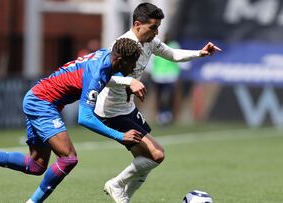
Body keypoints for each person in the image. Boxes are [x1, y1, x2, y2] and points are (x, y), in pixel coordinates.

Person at [0, 38, 143, 203]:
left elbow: (108, 72)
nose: (134, 67)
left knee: (36, 165)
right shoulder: (97, 74)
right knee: (69, 158)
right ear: (119, 59)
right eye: (132, 63)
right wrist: (119, 136)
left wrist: (126, 81)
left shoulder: (105, 55)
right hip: (42, 103)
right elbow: (85, 118)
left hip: (40, 98)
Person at [94, 3, 221, 203]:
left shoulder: (150, 41)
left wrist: (200, 53)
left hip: (127, 109)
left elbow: (172, 54)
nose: (157, 32)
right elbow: (101, 77)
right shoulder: (121, 46)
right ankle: (116, 184)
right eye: (153, 27)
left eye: (158, 27)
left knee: (146, 159)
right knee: (157, 154)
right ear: (137, 24)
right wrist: (130, 81)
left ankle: (123, 198)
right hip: (111, 111)